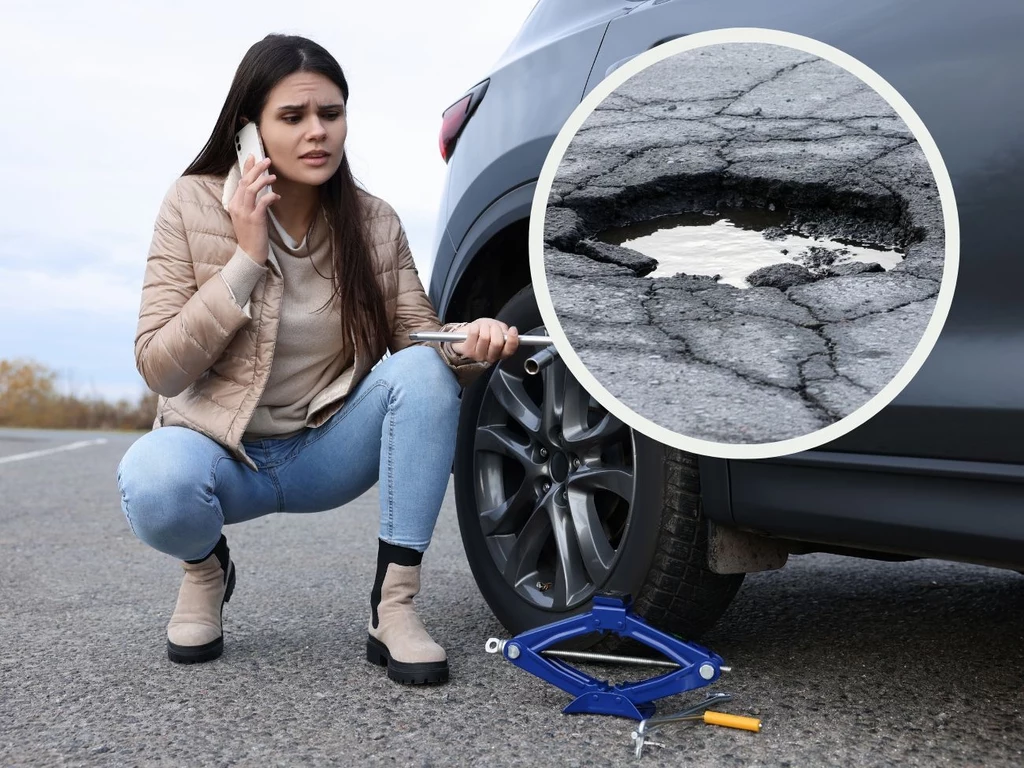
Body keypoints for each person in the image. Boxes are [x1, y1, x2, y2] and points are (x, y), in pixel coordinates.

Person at [115, 33, 519, 685]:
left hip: (326, 452)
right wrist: (245, 259)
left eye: (331, 115)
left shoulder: (375, 221)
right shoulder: (190, 203)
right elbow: (160, 368)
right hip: (222, 453)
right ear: (250, 131)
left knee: (421, 370)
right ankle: (205, 569)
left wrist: (471, 346)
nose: (317, 133)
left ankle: (394, 607)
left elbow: (420, 344)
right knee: (152, 483)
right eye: (294, 117)